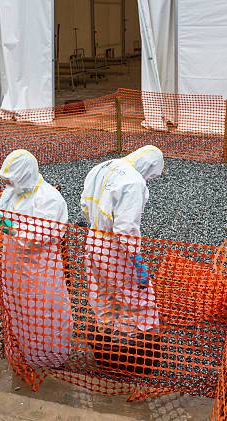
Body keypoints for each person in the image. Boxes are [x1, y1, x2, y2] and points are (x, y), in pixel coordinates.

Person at [0, 149, 72, 368]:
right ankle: (23, 352)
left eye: (12, 180)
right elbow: (1, 214)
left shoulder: (49, 198)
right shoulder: (12, 192)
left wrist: (8, 226)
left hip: (40, 268)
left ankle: (50, 358)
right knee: (18, 309)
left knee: (43, 311)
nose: (9, 184)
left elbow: (45, 234)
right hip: (13, 264)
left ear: (26, 175)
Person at [80, 145, 164, 373]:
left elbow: (84, 205)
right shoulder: (134, 181)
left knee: (102, 294)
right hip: (115, 248)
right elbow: (126, 226)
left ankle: (106, 345)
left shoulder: (103, 166)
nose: (149, 179)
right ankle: (136, 355)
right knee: (137, 298)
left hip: (93, 238)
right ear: (148, 167)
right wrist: (136, 259)